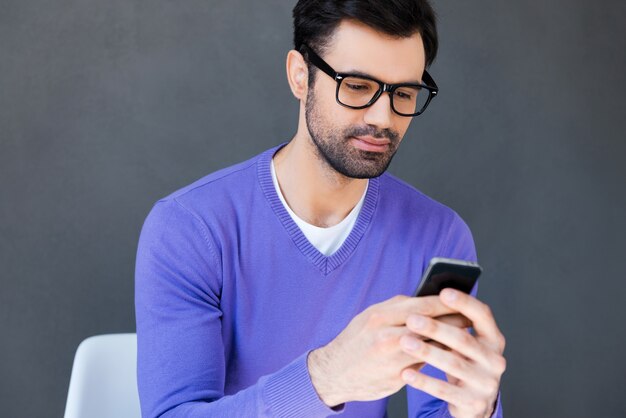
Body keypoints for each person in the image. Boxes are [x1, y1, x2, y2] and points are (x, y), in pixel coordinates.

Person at [134, 0, 506, 417]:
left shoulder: (438, 237)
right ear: (299, 75)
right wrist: (326, 377)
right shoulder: (189, 229)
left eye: (403, 93)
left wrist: (476, 409)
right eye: (357, 86)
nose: (383, 118)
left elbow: (439, 408)